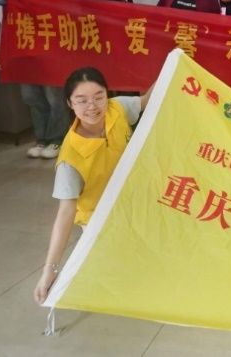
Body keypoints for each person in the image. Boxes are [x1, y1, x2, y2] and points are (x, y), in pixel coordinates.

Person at [33, 67, 151, 303]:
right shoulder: (71, 159)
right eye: (82, 100)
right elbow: (65, 213)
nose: (93, 106)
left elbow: (147, 100)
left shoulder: (116, 109)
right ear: (70, 104)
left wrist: (174, 60)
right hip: (99, 219)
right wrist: (50, 270)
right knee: (118, 277)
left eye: (99, 97)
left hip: (133, 201)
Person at [0, 0, 67, 160]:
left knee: (54, 98)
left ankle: (57, 140)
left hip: (49, 49)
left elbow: (34, 5)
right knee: (31, 97)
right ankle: (41, 139)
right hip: (23, 51)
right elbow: (9, 21)